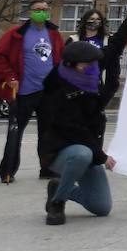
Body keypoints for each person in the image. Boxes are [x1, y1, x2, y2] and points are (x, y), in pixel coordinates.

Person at [38, 40, 116, 225]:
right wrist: (101, 156)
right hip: (60, 151)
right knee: (82, 153)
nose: (92, 68)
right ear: (71, 65)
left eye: (94, 63)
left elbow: (114, 48)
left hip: (88, 149)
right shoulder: (57, 89)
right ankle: (57, 203)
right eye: (86, 64)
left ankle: (59, 189)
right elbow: (74, 130)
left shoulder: (90, 83)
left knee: (101, 207)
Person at [0, 0, 64, 183]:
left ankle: (48, 169)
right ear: (30, 12)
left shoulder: (54, 34)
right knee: (15, 133)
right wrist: (9, 77)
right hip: (23, 92)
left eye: (44, 9)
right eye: (37, 9)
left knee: (48, 133)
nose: (41, 12)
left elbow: (62, 60)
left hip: (48, 93)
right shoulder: (16, 34)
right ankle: (8, 171)